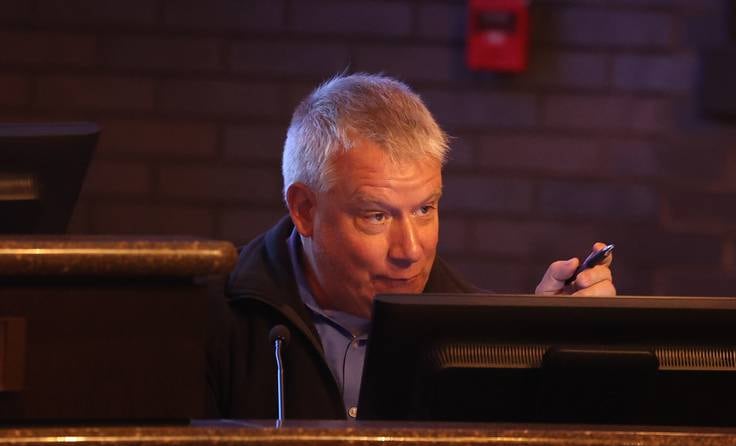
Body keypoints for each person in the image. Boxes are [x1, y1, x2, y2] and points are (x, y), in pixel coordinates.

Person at [206, 73, 615, 420]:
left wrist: (537, 350)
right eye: (376, 216)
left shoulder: (478, 334)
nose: (411, 250)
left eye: (424, 208)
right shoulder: (209, 321)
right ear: (305, 210)